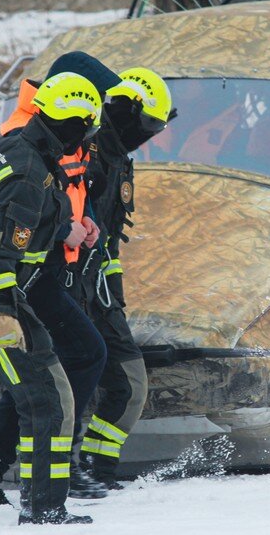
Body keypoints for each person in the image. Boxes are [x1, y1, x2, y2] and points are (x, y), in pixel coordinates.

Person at [0, 52, 124, 503]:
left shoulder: (52, 126)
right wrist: (61, 228)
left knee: (31, 377)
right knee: (67, 365)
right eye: (97, 101)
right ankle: (31, 472)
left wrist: (82, 220)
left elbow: (69, 190)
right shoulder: (27, 132)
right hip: (26, 270)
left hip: (46, 264)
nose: (99, 117)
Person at [75, 67, 175, 490]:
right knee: (73, 384)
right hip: (71, 290)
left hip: (98, 293)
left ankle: (97, 467)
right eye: (149, 123)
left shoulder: (119, 161)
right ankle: (67, 469)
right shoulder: (86, 152)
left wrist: (113, 296)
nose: (149, 134)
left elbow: (110, 243)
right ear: (126, 108)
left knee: (130, 384)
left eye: (157, 127)